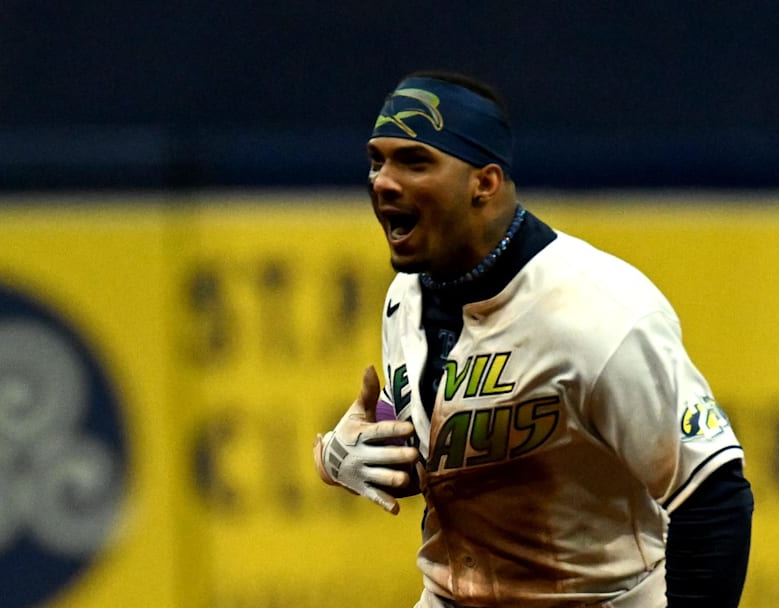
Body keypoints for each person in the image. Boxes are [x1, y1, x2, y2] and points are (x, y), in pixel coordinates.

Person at [313, 70, 754, 608]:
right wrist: (344, 453)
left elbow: (712, 496)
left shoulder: (597, 310)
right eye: (377, 160)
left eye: (415, 161)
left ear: (485, 183)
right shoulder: (407, 295)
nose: (383, 180)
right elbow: (443, 447)